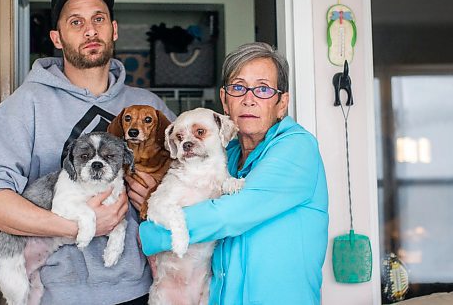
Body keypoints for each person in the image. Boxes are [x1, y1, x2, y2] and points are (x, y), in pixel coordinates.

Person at [0, 0, 175, 305]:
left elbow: (192, 179)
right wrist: (74, 226)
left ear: (114, 29)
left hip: (141, 290)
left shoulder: (148, 107)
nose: (90, 30)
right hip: (56, 295)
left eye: (98, 19)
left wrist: (158, 193)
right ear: (57, 38)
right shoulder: (26, 105)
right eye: (76, 22)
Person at [138, 42, 329, 304]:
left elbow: (226, 215)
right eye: (238, 88)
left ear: (282, 103)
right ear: (225, 101)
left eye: (262, 89)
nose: (249, 99)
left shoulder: (297, 147)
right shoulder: (227, 154)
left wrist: (149, 235)